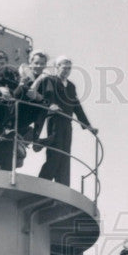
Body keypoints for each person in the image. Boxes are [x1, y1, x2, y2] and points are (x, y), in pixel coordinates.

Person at [32, 56, 97, 186]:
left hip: (67, 123)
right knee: (55, 154)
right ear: (57, 68)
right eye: (64, 67)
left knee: (65, 156)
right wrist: (50, 105)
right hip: (53, 120)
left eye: (69, 68)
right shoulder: (50, 80)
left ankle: (63, 185)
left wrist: (88, 126)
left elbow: (76, 106)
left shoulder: (71, 86)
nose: (67, 70)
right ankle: (43, 183)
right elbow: (43, 97)